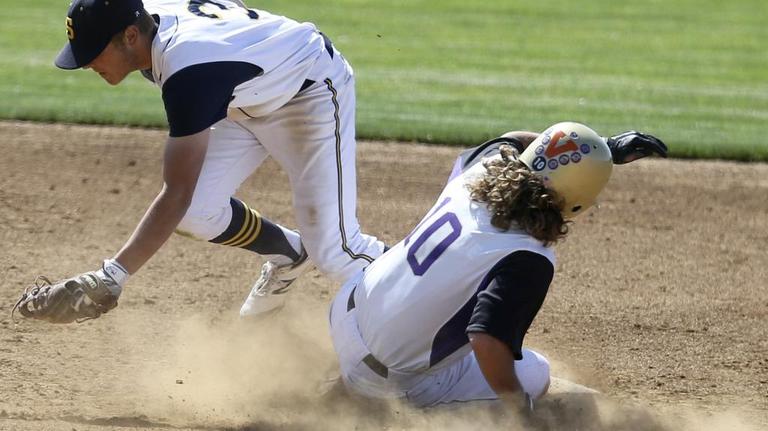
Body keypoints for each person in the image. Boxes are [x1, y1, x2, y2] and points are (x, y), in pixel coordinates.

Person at [50, 0, 385, 318]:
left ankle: (425, 283)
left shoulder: (188, 73)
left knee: (336, 251)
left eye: (93, 52)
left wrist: (113, 275)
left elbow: (176, 192)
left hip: (308, 93)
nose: (87, 63)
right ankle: (290, 255)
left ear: (131, 36)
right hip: (241, 101)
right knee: (196, 213)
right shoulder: (146, 16)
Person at [328, 122, 667, 412]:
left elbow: (515, 138)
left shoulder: (481, 169)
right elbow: (487, 340)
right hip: (385, 379)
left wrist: (600, 147)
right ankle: (365, 399)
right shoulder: (528, 256)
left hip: (347, 311)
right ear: (577, 200)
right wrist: (518, 415)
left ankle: (343, 384)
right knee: (535, 375)